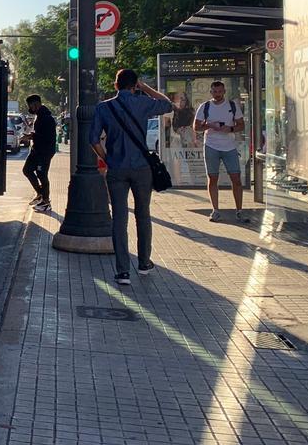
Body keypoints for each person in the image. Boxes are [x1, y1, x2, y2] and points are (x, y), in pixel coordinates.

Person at [89, 69, 173, 286]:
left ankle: (122, 271)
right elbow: (166, 104)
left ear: (115, 85)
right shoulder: (142, 103)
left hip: (116, 168)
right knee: (143, 214)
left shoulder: (103, 108)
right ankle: (144, 263)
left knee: (119, 218)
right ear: (134, 85)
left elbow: (93, 139)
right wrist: (144, 88)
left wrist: (107, 159)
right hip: (142, 168)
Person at [193, 81, 248, 222]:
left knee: (236, 178)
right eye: (215, 92)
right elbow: (196, 127)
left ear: (224, 92)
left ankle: (240, 211)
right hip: (211, 145)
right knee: (212, 178)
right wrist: (209, 125)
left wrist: (229, 129)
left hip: (229, 146)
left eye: (220, 92)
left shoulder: (232, 105)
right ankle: (215, 210)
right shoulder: (204, 107)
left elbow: (241, 125)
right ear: (211, 93)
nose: (217, 94)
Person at [21, 94, 57, 212]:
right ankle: (40, 194)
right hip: (37, 150)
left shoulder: (46, 118)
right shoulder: (39, 116)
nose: (30, 108)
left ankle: (46, 201)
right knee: (27, 169)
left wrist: (32, 136)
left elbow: (47, 137)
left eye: (30, 106)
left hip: (44, 151)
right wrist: (32, 136)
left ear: (35, 104)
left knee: (42, 174)